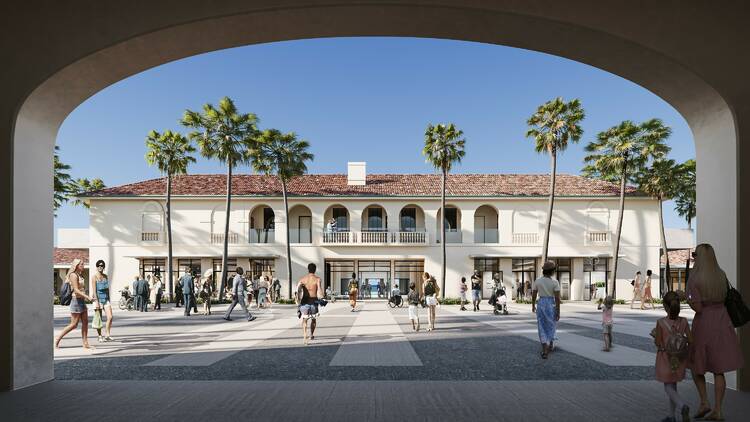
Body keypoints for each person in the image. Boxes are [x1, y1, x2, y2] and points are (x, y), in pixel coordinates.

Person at [687, 244, 743, 421]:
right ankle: (718, 409)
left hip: (704, 324)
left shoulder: (695, 278)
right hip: (722, 322)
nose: (694, 257)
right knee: (719, 370)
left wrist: (686, 296)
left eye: (695, 254)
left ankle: (704, 402)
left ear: (700, 257)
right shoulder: (721, 275)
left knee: (697, 366)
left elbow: (697, 307)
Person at [653, 291, 692, 422]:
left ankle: (682, 406)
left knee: (668, 387)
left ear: (665, 306)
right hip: (679, 358)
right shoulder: (684, 321)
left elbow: (658, 343)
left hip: (666, 358)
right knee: (673, 385)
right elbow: (691, 340)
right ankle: (672, 416)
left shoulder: (661, 323)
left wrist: (655, 335)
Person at [54, 259, 95, 350]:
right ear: (76, 265)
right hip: (75, 301)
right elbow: (76, 290)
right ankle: (57, 339)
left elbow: (81, 289)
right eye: (81, 264)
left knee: (85, 322)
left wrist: (87, 296)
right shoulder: (73, 275)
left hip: (81, 301)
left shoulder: (80, 275)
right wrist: (87, 297)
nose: (83, 265)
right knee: (73, 324)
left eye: (83, 264)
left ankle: (85, 343)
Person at [531, 261, 561, 359]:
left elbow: (534, 294)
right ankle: (547, 348)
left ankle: (545, 346)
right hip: (550, 304)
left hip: (541, 303)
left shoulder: (538, 280)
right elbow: (557, 298)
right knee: (551, 324)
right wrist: (558, 311)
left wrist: (532, 305)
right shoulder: (555, 282)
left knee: (541, 325)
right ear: (552, 271)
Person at [297, 263, 323, 345]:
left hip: (304, 302)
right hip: (314, 302)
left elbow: (298, 290)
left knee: (304, 320)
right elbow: (320, 291)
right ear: (315, 270)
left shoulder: (302, 279)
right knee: (313, 319)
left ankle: (305, 337)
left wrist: (298, 301)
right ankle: (311, 334)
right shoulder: (318, 279)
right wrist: (322, 298)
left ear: (308, 269)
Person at [91, 259, 114, 342]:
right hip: (98, 299)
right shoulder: (94, 277)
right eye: (99, 265)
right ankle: (100, 336)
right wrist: (96, 302)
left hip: (106, 299)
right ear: (97, 267)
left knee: (110, 317)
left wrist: (109, 299)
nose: (100, 267)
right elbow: (94, 290)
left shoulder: (105, 276)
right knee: (99, 318)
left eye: (102, 265)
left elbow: (107, 289)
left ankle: (107, 334)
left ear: (104, 267)